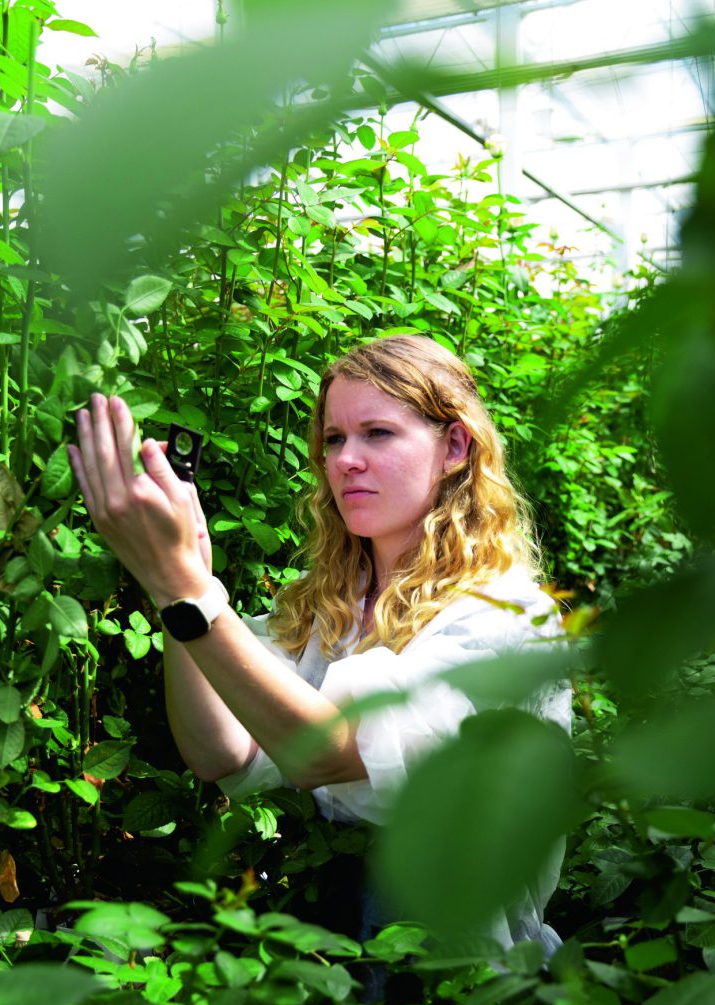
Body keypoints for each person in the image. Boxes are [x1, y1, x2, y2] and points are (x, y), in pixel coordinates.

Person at [69, 333, 570, 952]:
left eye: (378, 434)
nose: (345, 460)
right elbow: (226, 755)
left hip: (458, 974)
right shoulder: (327, 604)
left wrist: (188, 588)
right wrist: (176, 584)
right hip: (317, 941)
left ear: (455, 447)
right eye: (334, 439)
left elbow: (328, 752)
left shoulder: (509, 617)